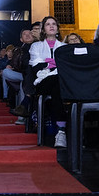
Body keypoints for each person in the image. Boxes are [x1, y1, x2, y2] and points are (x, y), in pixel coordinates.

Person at [29, 16, 68, 148]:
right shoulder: (36, 46)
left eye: (54, 24)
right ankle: (61, 130)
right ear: (44, 29)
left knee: (57, 84)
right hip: (43, 83)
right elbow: (36, 67)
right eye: (47, 24)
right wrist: (55, 64)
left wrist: (47, 62)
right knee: (56, 81)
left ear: (57, 28)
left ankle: (61, 133)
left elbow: (66, 67)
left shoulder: (64, 47)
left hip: (60, 82)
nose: (51, 26)